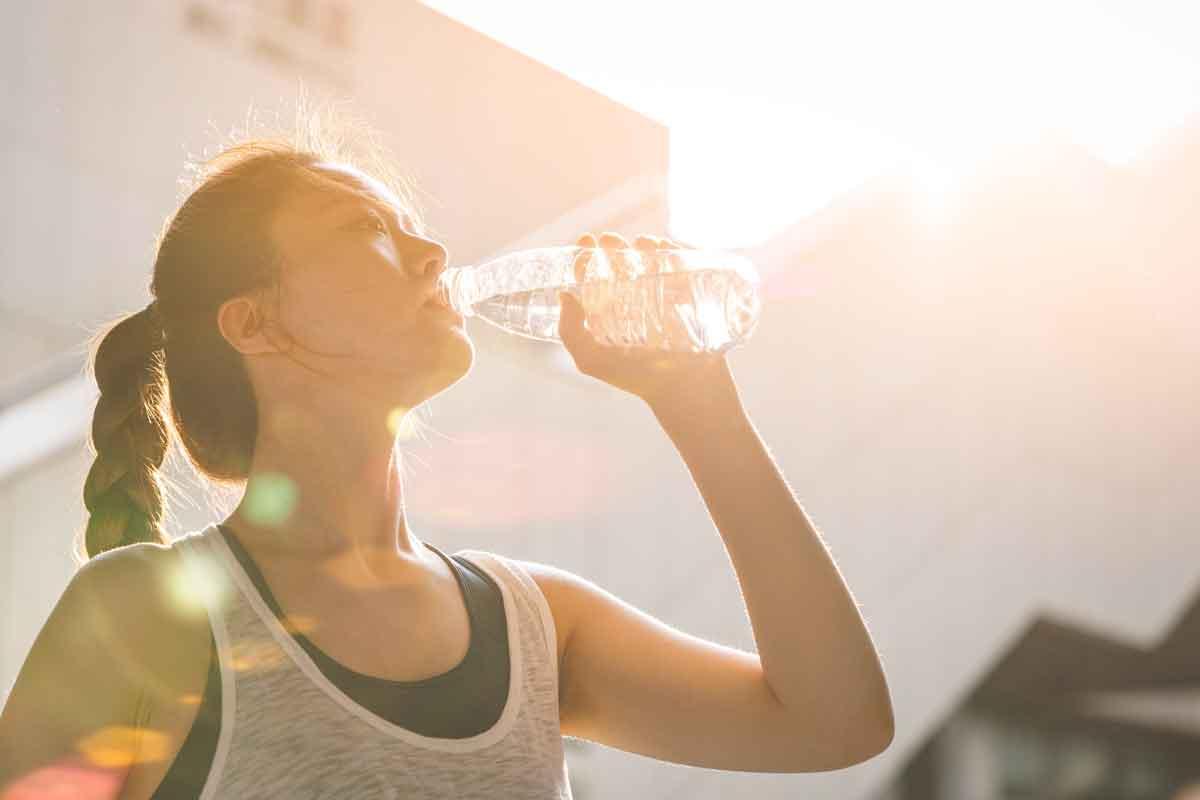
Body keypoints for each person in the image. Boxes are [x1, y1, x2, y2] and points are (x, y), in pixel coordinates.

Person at [0, 114, 894, 799]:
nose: (433, 253)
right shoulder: (144, 616)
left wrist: (700, 407)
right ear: (256, 321)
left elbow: (834, 723)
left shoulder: (536, 626)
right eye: (369, 230)